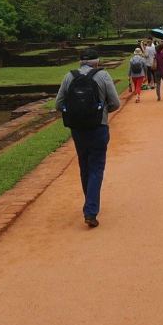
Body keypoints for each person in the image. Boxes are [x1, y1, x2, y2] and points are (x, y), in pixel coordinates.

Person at [54, 47, 121, 228]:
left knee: (84, 165)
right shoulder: (103, 76)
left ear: (80, 61)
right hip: (99, 127)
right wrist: (101, 113)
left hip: (78, 130)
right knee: (96, 167)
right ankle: (90, 211)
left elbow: (58, 104)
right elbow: (115, 102)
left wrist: (76, 114)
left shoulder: (70, 76)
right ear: (97, 61)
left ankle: (89, 202)